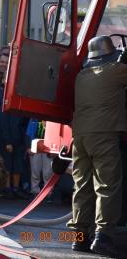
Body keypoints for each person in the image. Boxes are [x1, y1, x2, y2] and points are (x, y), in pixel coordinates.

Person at [67, 36, 126, 258]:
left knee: (82, 185)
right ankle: (103, 237)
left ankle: (79, 237)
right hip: (104, 134)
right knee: (107, 185)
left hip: (80, 136)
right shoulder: (115, 70)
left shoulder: (82, 76)